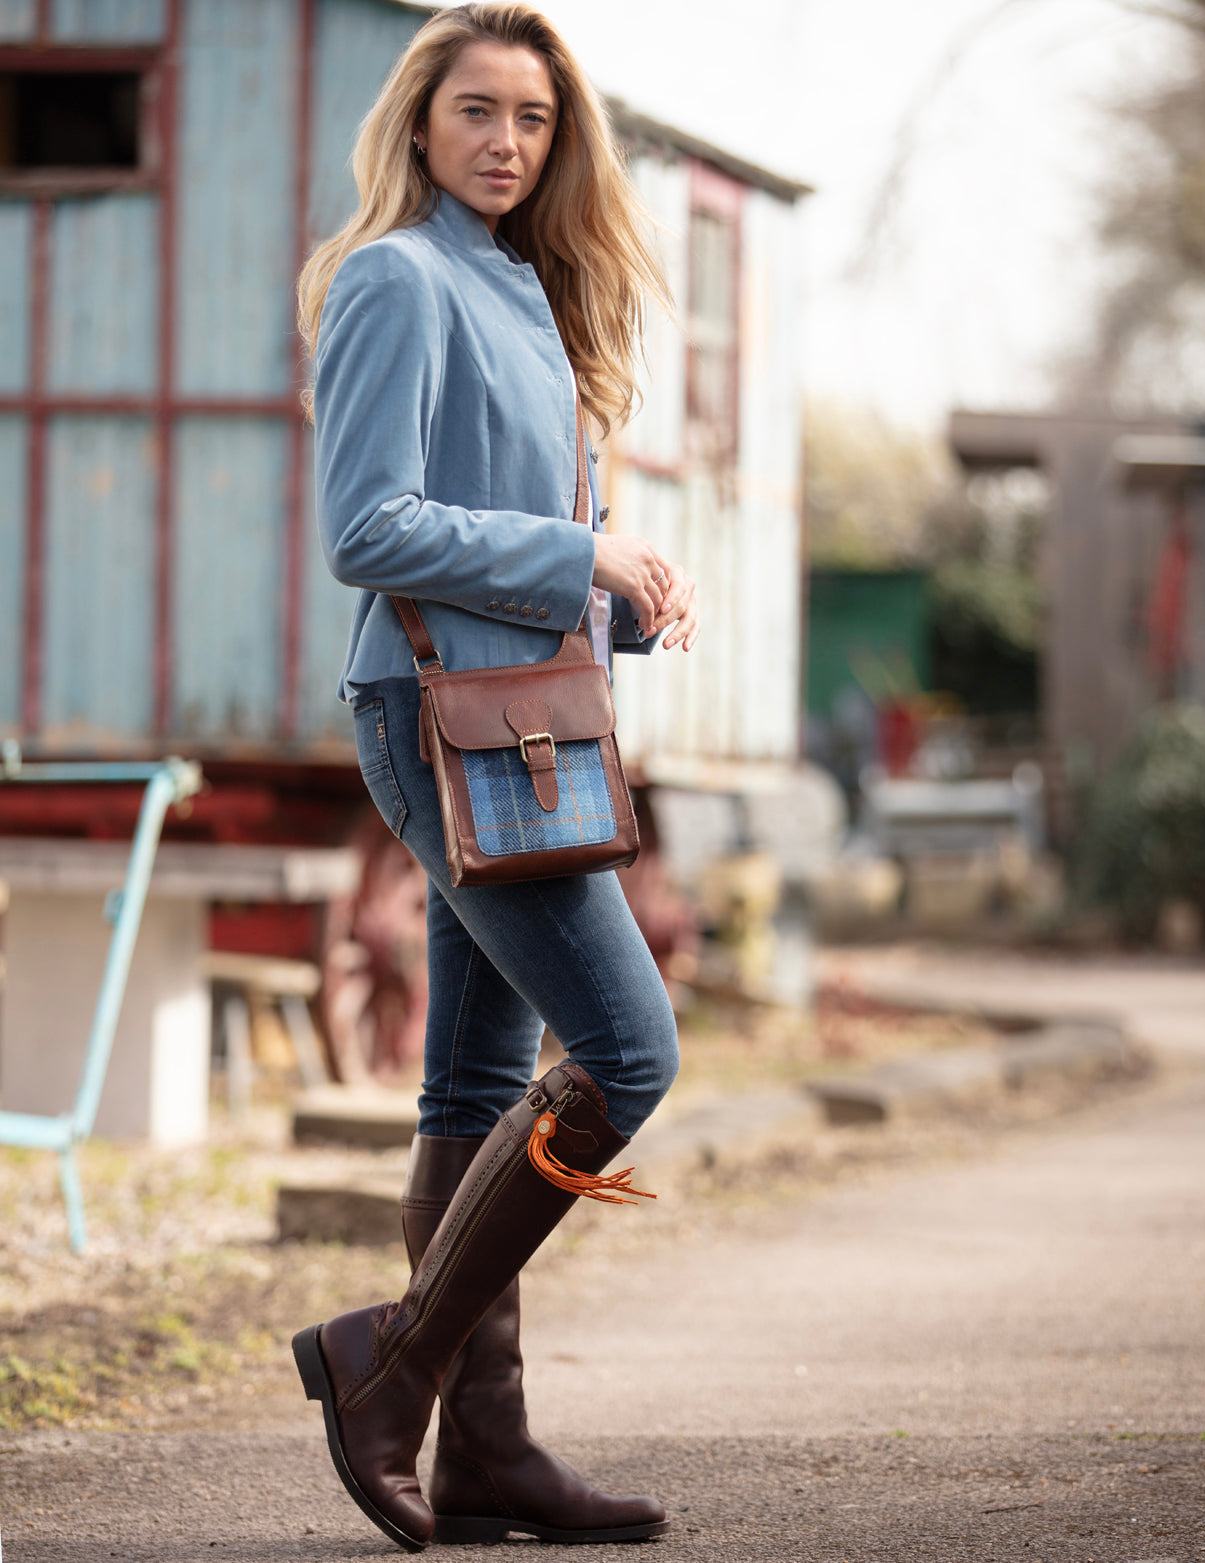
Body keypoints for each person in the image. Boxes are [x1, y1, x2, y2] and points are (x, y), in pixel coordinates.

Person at [290, 3, 699, 1551]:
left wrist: (625, 599)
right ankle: (392, 1372)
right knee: (628, 1051)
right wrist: (578, 549)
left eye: (531, 118)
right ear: (419, 123)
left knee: (471, 1084)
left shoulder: (524, 284)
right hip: (437, 715)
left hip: (518, 713)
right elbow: (367, 526)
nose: (506, 141)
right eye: (476, 110)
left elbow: (513, 552)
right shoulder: (399, 277)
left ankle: (488, 1458)